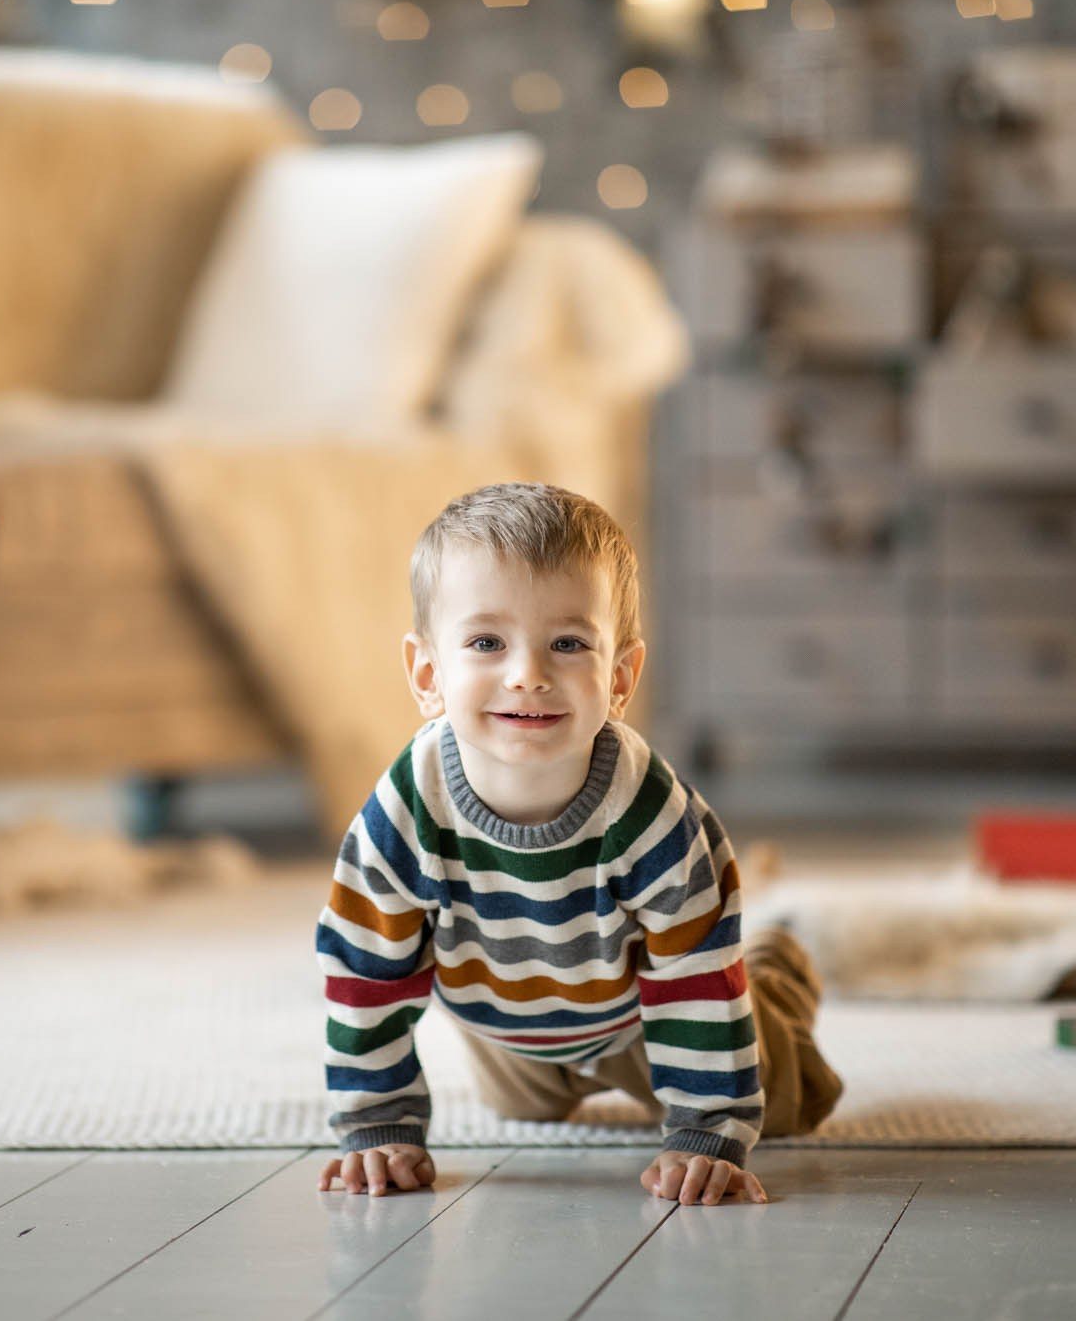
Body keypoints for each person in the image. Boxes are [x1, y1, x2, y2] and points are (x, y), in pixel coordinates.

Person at [315, 482, 843, 1207]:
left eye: (568, 642)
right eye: (486, 642)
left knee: (791, 1105)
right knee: (525, 1109)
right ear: (428, 675)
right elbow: (365, 974)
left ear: (620, 677)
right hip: (503, 1014)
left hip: (636, 1011)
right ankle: (547, 1063)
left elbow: (690, 976)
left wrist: (707, 1130)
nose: (527, 672)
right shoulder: (402, 812)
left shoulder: (653, 816)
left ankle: (776, 966)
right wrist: (376, 1126)